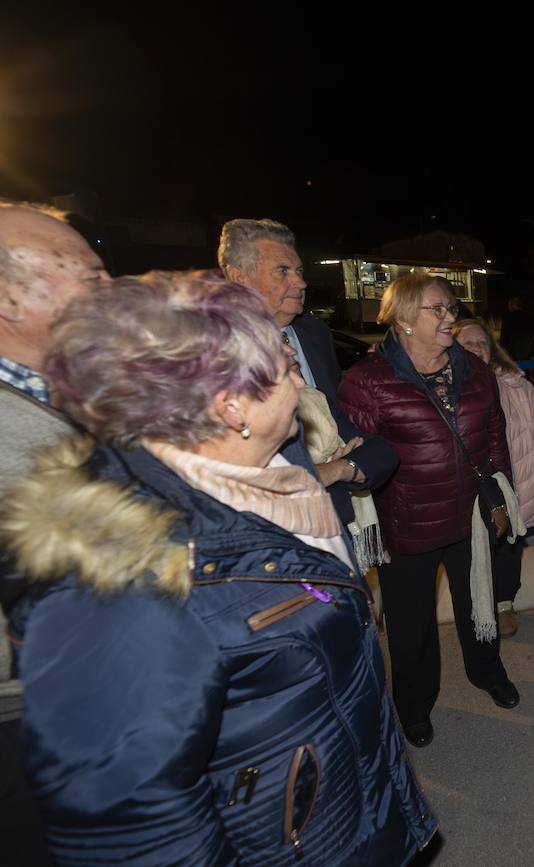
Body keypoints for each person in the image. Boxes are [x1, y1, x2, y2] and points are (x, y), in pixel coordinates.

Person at [3, 271, 435, 863]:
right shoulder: (130, 584)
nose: (298, 382)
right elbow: (143, 834)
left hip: (341, 822)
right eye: (284, 371)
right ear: (232, 406)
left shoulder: (268, 493)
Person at [338, 273, 519, 748]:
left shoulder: (474, 369)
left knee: (479, 601)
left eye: (451, 308)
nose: (449, 318)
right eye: (436, 310)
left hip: (471, 517)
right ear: (402, 320)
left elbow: (495, 435)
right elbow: (356, 458)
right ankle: (415, 704)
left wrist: (501, 495)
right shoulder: (367, 382)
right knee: (410, 625)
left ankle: (487, 671)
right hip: (408, 524)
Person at [0, 199, 110, 866]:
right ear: (11, 299)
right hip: (24, 714)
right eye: (90, 277)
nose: (111, 289)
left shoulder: (66, 394)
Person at [218, 218, 398, 541]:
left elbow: (344, 427)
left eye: (299, 271)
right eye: (282, 271)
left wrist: (349, 467)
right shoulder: (213, 354)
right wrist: (331, 470)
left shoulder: (314, 335)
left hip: (338, 522)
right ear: (238, 277)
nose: (300, 284)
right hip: (270, 538)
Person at [455, 317, 534, 637]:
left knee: (509, 547)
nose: (475, 348)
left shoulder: (516, 385)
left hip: (514, 483)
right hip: (468, 489)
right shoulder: (444, 387)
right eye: (466, 344)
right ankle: (476, 607)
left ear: (492, 349)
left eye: (481, 343)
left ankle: (503, 604)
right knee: (472, 551)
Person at [499, 296, 534, 361]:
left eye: (509, 305)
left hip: (512, 350)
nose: (508, 307)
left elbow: (504, 336)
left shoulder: (508, 318)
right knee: (525, 367)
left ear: (513, 305)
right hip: (527, 348)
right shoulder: (529, 316)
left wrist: (502, 350)